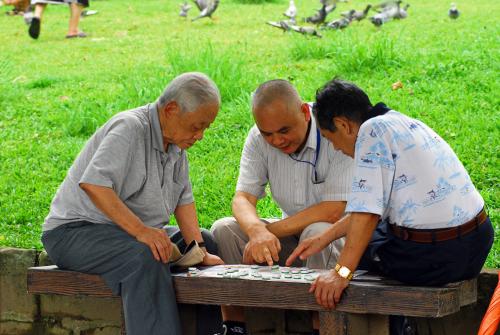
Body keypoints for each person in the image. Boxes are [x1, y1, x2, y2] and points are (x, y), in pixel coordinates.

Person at [286, 79, 494, 332]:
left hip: (439, 256)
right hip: (476, 243)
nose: (337, 148)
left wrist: (340, 273)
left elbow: (366, 214)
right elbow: (372, 207)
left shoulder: (371, 133)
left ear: (343, 125)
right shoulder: (399, 122)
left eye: (331, 139)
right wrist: (327, 236)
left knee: (360, 254)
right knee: (375, 237)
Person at [41, 72, 225, 335]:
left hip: (122, 232)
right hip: (73, 233)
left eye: (206, 127)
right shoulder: (130, 128)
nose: (200, 135)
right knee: (147, 254)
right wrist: (142, 232)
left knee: (202, 242)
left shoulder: (176, 145)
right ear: (171, 110)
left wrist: (200, 251)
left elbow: (184, 201)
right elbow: (95, 184)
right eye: (197, 126)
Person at [211, 79, 354, 335]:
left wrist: (270, 232)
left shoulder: (333, 130)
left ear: (304, 112)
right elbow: (242, 198)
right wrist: (256, 231)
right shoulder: (257, 138)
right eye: (268, 133)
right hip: (291, 243)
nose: (277, 140)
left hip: (340, 241)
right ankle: (236, 326)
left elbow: (333, 210)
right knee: (224, 229)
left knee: (317, 230)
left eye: (284, 130)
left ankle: (320, 325)